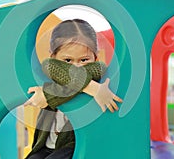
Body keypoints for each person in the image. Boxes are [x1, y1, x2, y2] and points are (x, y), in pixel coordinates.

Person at [24, 19, 122, 159]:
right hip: (46, 145)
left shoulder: (97, 72)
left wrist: (48, 94)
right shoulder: (53, 70)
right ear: (53, 56)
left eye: (84, 60)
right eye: (68, 61)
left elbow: (93, 69)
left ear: (96, 56)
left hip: (73, 146)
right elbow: (49, 65)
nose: (76, 67)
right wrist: (93, 88)